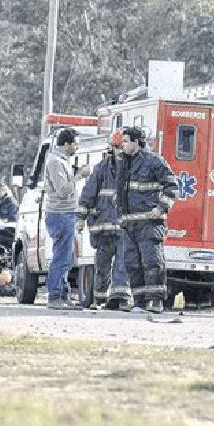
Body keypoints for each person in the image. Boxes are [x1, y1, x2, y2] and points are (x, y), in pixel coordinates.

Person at [115, 126, 179, 314]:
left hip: (149, 223)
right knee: (132, 264)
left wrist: (161, 208)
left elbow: (172, 185)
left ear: (136, 142)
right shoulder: (123, 163)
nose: (122, 145)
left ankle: (156, 302)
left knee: (152, 262)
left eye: (126, 141)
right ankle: (139, 303)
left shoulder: (153, 161)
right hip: (129, 224)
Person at [76, 132, 131, 310]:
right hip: (103, 227)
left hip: (124, 227)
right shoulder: (101, 169)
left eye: (122, 147)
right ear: (111, 148)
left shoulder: (135, 168)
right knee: (102, 264)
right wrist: (81, 219)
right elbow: (88, 194)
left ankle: (119, 298)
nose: (119, 151)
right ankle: (99, 298)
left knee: (123, 262)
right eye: (116, 147)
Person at [43, 128, 91, 309]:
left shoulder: (63, 161)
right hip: (60, 214)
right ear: (66, 144)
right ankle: (54, 296)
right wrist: (79, 176)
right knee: (61, 257)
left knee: (66, 258)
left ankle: (63, 296)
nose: (77, 147)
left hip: (66, 213)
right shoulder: (56, 162)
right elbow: (63, 190)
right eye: (76, 143)